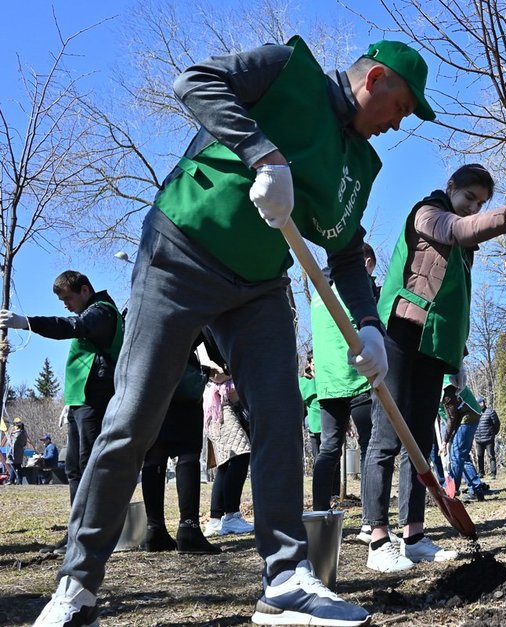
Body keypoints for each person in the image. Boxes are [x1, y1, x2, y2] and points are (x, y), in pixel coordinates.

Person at [32, 37, 435, 627]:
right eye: (403, 106)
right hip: (180, 254)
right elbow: (194, 82)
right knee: (132, 419)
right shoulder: (286, 71)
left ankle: (286, 582)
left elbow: (346, 255)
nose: (400, 124)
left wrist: (369, 326)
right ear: (374, 80)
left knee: (278, 416)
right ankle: (77, 587)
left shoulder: (357, 166)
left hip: (258, 287)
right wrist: (262, 153)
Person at [362, 163, 506, 573]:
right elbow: (457, 229)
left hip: (434, 346)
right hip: (401, 334)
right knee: (388, 438)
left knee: (420, 441)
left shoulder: (464, 255)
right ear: (451, 189)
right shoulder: (427, 214)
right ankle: (376, 539)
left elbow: (454, 305)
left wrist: (457, 359)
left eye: (481, 203)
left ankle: (414, 535)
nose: (472, 208)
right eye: (469, 199)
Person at [0, 271, 122, 551]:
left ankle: (93, 534)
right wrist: (71, 400)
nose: (65, 305)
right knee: (76, 468)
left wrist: (26, 323)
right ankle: (77, 531)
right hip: (81, 400)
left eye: (68, 298)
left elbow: (71, 327)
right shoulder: (91, 310)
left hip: (96, 399)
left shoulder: (101, 313)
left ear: (85, 291)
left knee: (90, 467)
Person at [311, 244, 378, 543]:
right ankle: (369, 521)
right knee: (370, 446)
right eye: (371, 268)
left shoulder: (318, 292)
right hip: (357, 377)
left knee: (328, 448)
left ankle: (318, 515)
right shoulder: (356, 285)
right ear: (363, 262)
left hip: (326, 383)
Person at [139, 343, 220, 554]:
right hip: (181, 376)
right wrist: (219, 361)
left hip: (147, 378)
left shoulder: (136, 309)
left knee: (154, 452)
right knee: (188, 451)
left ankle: (154, 529)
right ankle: (189, 528)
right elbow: (205, 330)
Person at [202, 379, 254, 537]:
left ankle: (216, 520)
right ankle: (231, 515)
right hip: (222, 407)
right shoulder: (217, 355)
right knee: (241, 456)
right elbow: (218, 375)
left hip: (217, 407)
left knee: (225, 464)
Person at [439, 380, 486, 502]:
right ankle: (476, 490)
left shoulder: (446, 389)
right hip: (460, 417)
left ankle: (450, 491)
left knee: (457, 453)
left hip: (469, 415)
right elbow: (446, 416)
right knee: (462, 456)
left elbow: (452, 417)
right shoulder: (437, 392)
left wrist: (444, 442)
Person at [474, 396, 500, 480]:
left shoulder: (490, 412)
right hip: (478, 439)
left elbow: (497, 424)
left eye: (482, 402)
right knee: (479, 456)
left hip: (489, 439)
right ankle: (481, 472)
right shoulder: (475, 412)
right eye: (479, 403)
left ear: (484, 403)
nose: (481, 404)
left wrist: (493, 433)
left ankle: (493, 473)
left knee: (491, 455)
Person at [8, 418, 27, 485]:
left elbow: (13, 444)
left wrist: (10, 453)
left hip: (15, 452)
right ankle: (17, 480)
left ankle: (13, 480)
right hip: (20, 451)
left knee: (13, 465)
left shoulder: (16, 434)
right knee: (18, 466)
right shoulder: (24, 433)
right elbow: (25, 443)